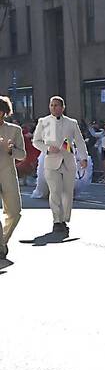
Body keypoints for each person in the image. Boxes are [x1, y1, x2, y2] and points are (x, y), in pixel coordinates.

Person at [32, 96, 89, 237]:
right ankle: (57, 220)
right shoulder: (44, 122)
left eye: (56, 105)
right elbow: (36, 141)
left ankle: (64, 219)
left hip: (68, 161)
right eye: (51, 105)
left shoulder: (72, 123)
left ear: (62, 108)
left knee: (67, 193)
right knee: (55, 191)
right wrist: (46, 148)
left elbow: (80, 142)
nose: (53, 107)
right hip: (51, 161)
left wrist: (83, 158)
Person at [0, 96, 23, 262]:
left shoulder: (14, 130)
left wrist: (10, 150)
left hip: (8, 173)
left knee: (15, 212)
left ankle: (2, 242)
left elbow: (22, 155)